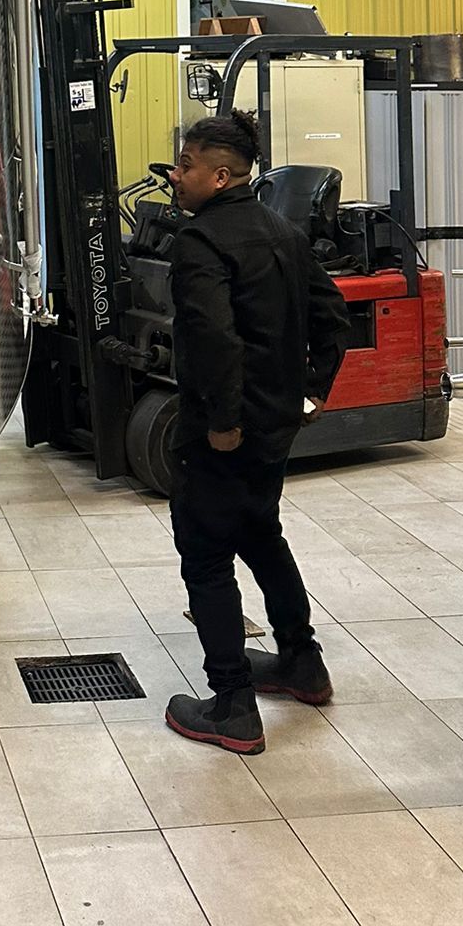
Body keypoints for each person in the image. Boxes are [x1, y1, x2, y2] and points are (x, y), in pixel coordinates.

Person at [162, 109, 351, 755]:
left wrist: (221, 424)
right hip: (275, 427)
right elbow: (333, 319)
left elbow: (215, 340)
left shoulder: (199, 244)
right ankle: (302, 662)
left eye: (185, 166)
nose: (175, 176)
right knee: (261, 534)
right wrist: (312, 392)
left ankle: (232, 703)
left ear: (219, 176)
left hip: (225, 433)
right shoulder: (283, 231)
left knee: (207, 555)